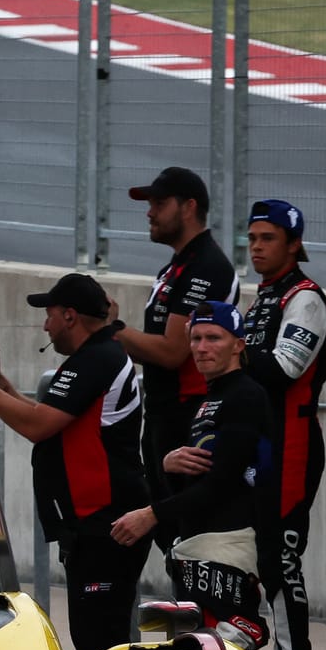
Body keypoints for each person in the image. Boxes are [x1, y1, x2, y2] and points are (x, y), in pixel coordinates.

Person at [0, 272, 146, 650]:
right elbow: (45, 420)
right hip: (92, 525)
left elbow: (36, 426)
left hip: (105, 523)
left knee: (102, 648)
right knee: (93, 641)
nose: (44, 325)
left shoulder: (97, 358)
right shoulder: (95, 356)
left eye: (48, 315)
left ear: (69, 316)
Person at [110, 301, 272, 650]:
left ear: (238, 344)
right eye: (196, 338)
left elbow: (223, 483)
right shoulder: (208, 399)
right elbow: (199, 480)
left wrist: (150, 513)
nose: (201, 347)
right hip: (190, 545)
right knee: (157, 646)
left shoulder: (246, 395)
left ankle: (245, 628)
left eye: (213, 338)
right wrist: (169, 465)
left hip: (227, 543)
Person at [114, 167, 239, 545]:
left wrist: (110, 332)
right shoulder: (175, 267)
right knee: (170, 539)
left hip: (191, 417)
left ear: (189, 207)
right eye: (149, 204)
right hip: (163, 416)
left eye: (159, 203)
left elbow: (171, 352)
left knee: (189, 537)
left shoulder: (207, 266)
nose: (150, 212)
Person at [239, 200, 326, 650]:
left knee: (283, 556)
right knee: (260, 557)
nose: (256, 247)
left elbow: (282, 371)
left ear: (293, 244)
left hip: (292, 443)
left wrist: (235, 352)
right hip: (261, 442)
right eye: (252, 238)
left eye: (267, 238)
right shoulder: (265, 297)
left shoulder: (305, 298)